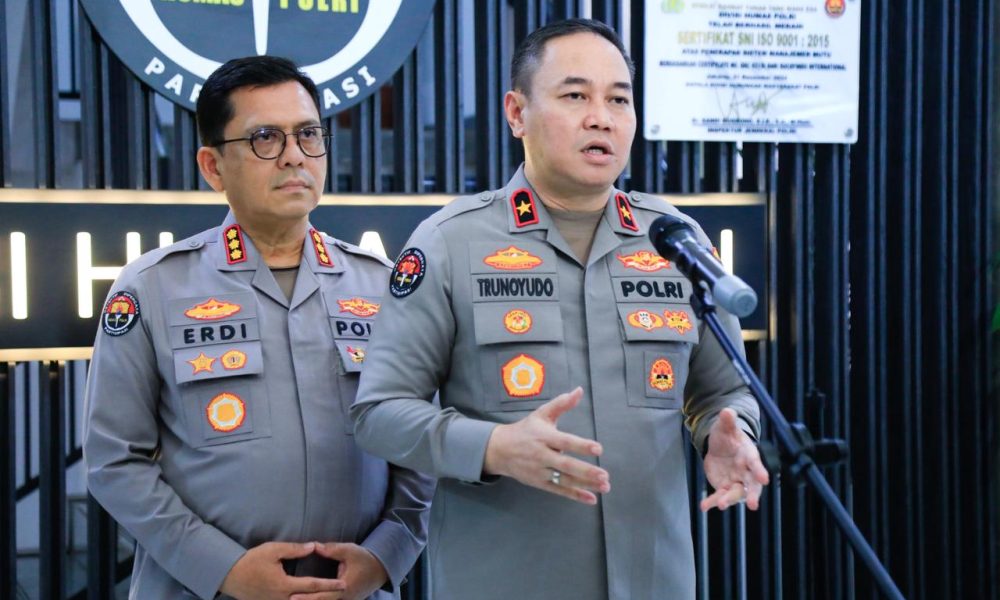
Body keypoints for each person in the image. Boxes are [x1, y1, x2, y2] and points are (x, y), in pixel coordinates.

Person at [351, 19, 770, 599]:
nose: (601, 117)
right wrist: (490, 447)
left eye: (618, 100)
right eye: (575, 96)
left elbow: (724, 392)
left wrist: (730, 434)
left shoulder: (675, 241)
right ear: (516, 113)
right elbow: (378, 413)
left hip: (655, 580)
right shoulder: (450, 242)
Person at [83, 56, 434, 600]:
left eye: (308, 134)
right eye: (265, 138)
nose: (294, 155)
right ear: (213, 166)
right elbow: (114, 461)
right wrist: (223, 569)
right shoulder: (153, 287)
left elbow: (419, 445)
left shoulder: (381, 285)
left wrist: (384, 557)